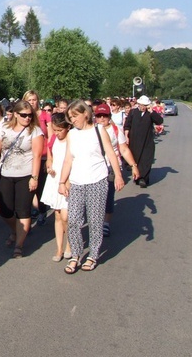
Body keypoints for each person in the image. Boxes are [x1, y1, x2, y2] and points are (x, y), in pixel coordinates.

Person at [58, 100, 124, 274]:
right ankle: (76, 254)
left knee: (95, 221)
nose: (73, 120)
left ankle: (93, 255)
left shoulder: (99, 130)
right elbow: (68, 159)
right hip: (77, 182)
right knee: (73, 221)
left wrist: (118, 175)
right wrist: (62, 182)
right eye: (70, 117)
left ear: (85, 114)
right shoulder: (72, 134)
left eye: (75, 116)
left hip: (97, 181)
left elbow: (110, 152)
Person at [0, 100, 44, 258]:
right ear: (15, 115)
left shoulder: (35, 131)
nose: (27, 118)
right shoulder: (4, 128)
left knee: (23, 210)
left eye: (30, 115)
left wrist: (34, 177)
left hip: (25, 175)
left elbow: (37, 155)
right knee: (5, 210)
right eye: (23, 115)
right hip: (6, 173)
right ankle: (15, 230)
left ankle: (19, 244)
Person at [93, 103, 140, 237]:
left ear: (109, 116)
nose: (101, 118)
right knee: (96, 197)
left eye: (104, 116)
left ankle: (105, 224)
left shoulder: (115, 130)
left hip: (111, 167)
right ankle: (96, 221)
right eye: (98, 116)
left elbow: (124, 149)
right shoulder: (91, 129)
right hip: (95, 167)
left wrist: (133, 165)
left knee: (108, 196)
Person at [40, 113, 71, 261]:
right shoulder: (53, 139)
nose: (57, 133)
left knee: (66, 216)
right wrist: (49, 165)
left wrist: (68, 180)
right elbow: (50, 156)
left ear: (67, 127)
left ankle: (70, 245)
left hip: (67, 180)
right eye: (55, 130)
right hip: (54, 178)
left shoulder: (72, 140)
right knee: (58, 215)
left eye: (60, 130)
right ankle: (59, 249)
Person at [23, 90, 52, 226]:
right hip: (27, 156)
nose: (32, 102)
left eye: (34, 99)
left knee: (39, 186)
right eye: (29, 100)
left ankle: (41, 211)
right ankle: (25, 216)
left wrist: (51, 158)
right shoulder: (23, 116)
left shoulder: (45, 116)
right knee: (26, 188)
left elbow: (51, 136)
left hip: (43, 156)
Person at [124, 95, 163, 188]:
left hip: (147, 141)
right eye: (141, 105)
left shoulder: (150, 114)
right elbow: (127, 125)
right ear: (138, 104)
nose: (143, 107)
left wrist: (152, 112)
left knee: (146, 160)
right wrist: (126, 136)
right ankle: (137, 177)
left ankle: (143, 179)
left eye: (145, 105)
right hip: (134, 141)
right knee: (136, 159)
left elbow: (159, 121)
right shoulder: (133, 112)